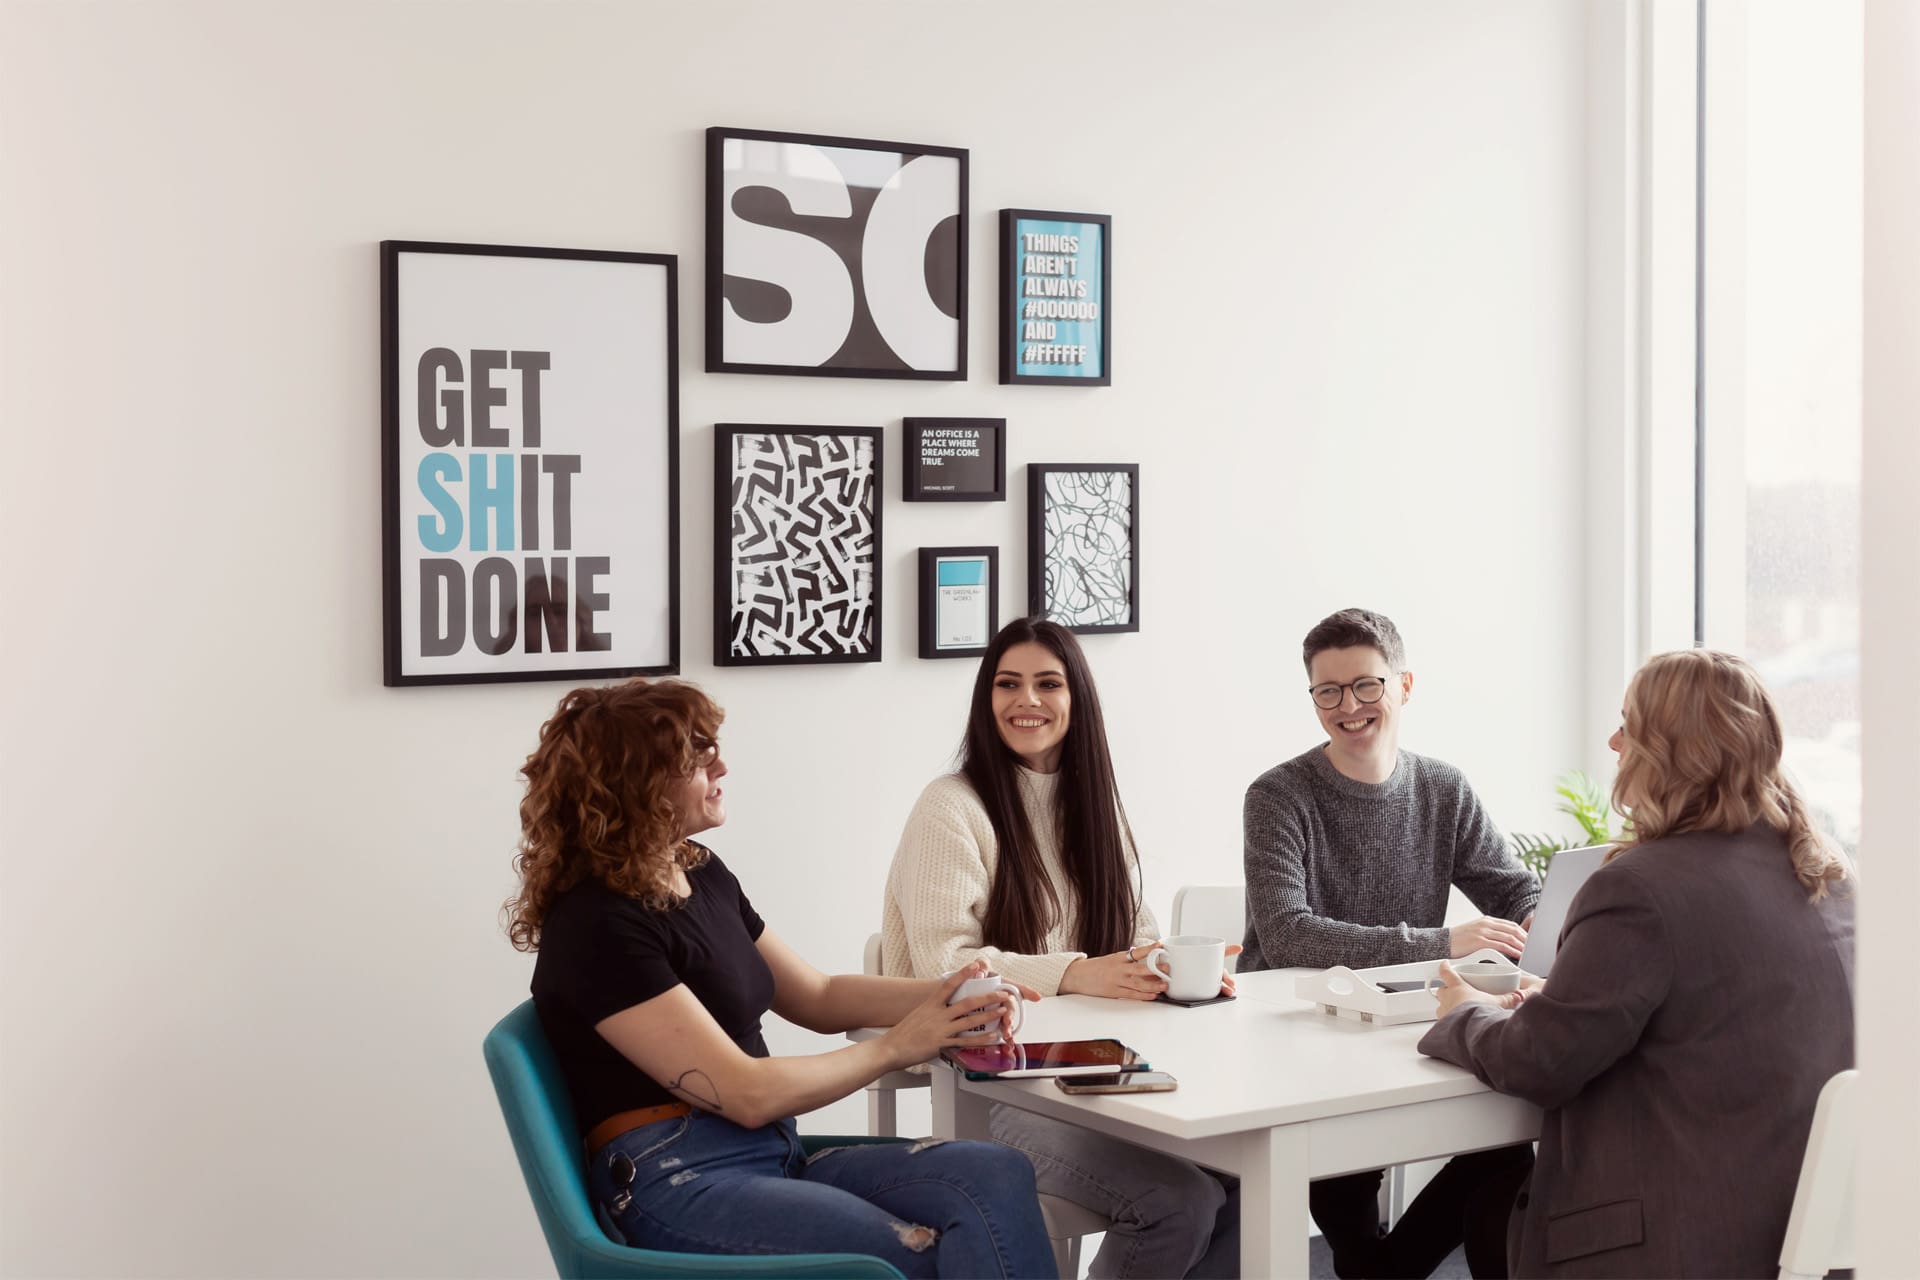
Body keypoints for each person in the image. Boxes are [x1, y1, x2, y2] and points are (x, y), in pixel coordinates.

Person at [505, 678, 1057, 1279]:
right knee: (903, 1257)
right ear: (633, 783)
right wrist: (903, 1044)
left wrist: (947, 991)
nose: (721, 763)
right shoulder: (597, 923)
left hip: (772, 1154)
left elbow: (818, 996)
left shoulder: (701, 874)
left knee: (997, 1174)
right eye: (695, 754)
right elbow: (746, 1093)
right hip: (676, 1177)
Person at [1420, 648, 1856, 1277]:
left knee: (1500, 1207)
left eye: (1630, 725)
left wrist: (1467, 1013)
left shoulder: (1640, 887)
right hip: (1807, 1237)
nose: (1613, 741)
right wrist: (1562, 997)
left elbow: (1538, 1062)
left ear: (1673, 750)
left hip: (1677, 1243)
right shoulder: (1830, 873)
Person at [880, 616, 1241, 1280]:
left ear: (1077, 699)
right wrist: (1075, 973)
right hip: (989, 1082)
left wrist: (1170, 969)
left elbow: (1133, 939)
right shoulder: (950, 807)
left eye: (1048, 683)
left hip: (1102, 1070)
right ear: (985, 700)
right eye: (1007, 684)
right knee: (1180, 1200)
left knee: (1245, 1173)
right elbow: (942, 967)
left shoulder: (1095, 806)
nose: (1028, 701)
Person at [1240, 607, 1538, 1279]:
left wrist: (1548, 930)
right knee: (1344, 1184)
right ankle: (1372, 1265)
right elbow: (1286, 935)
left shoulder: (1442, 788)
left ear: (1404, 686)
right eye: (1328, 691)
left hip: (1401, 1026)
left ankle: (1379, 1271)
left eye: (1367, 685)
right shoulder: (1278, 796)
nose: (1349, 706)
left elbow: (1515, 891)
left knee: (1508, 1138)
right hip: (1293, 1038)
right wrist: (1442, 940)